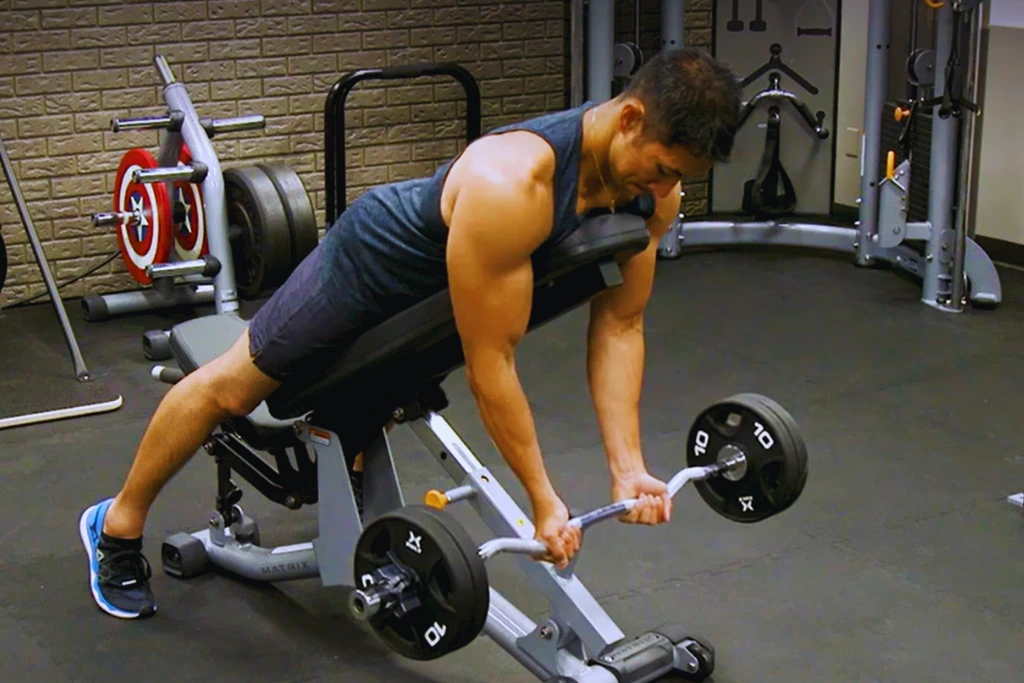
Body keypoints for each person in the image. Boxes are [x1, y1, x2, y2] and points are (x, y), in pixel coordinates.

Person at [80, 46, 743, 620]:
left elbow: (622, 322)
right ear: (630, 118)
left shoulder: (655, 194)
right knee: (229, 388)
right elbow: (493, 366)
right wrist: (544, 501)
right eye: (662, 166)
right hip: (365, 267)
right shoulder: (514, 181)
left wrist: (627, 465)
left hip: (442, 295)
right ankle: (116, 526)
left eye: (680, 176)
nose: (665, 187)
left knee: (377, 395)